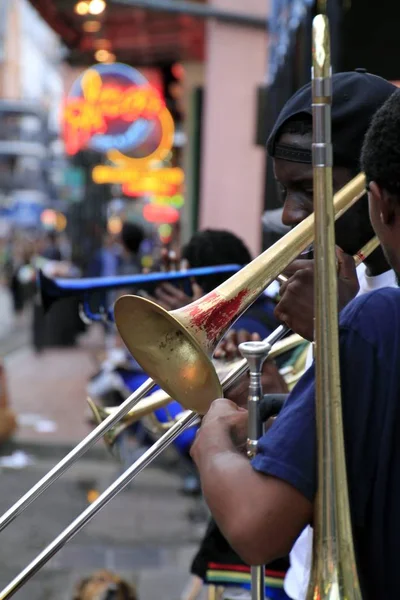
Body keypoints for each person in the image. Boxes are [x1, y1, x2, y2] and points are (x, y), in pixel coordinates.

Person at [190, 87, 400, 599]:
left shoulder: (373, 315)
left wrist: (212, 435)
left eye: (306, 188)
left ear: (373, 197)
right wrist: (280, 400)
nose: (287, 215)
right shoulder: (363, 300)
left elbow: (256, 527)